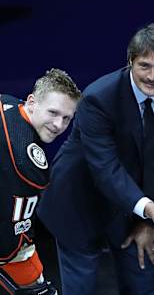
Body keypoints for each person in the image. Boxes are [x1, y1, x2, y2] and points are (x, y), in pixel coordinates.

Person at [37, 23, 154, 294]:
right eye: (145, 65)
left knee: (142, 287)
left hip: (132, 208)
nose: (153, 76)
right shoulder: (98, 98)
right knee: (80, 290)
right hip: (79, 202)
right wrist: (147, 208)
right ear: (130, 61)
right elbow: (105, 168)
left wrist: (146, 221)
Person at [0, 68, 81, 294]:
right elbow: (13, 241)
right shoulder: (28, 164)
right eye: (53, 112)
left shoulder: (5, 102)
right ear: (32, 102)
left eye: (66, 118)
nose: (58, 125)